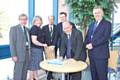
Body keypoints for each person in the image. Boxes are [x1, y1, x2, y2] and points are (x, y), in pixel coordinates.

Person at [85, 6, 111, 80]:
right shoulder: (91, 24)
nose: (97, 14)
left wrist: (92, 44)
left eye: (98, 12)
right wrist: (86, 44)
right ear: (93, 14)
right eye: (95, 13)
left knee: (102, 76)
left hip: (101, 56)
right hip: (91, 54)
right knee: (94, 76)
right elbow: (87, 36)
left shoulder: (107, 24)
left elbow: (105, 38)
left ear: (102, 13)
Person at [9, 14, 30, 80]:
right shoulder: (14, 29)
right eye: (22, 19)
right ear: (19, 20)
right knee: (18, 73)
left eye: (25, 19)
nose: (24, 21)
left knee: (24, 72)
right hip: (18, 55)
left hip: (27, 54)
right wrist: (14, 55)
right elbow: (12, 43)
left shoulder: (27, 30)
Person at [28, 16, 47, 80]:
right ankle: (31, 78)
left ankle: (36, 77)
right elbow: (34, 41)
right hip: (35, 49)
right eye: (37, 20)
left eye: (40, 20)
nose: (39, 22)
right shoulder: (34, 28)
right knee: (33, 66)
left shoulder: (39, 28)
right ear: (34, 21)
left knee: (35, 65)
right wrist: (43, 44)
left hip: (39, 49)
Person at [42, 15, 59, 80]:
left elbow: (57, 37)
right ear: (48, 20)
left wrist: (54, 45)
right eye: (50, 19)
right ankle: (48, 74)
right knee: (47, 61)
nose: (51, 20)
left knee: (53, 61)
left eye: (52, 19)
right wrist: (45, 45)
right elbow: (43, 37)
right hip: (46, 47)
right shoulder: (44, 27)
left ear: (54, 20)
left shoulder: (57, 27)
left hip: (54, 47)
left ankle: (50, 74)